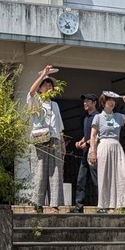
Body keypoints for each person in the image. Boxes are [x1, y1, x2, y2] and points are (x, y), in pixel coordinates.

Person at [88, 90, 125, 212]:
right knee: (105, 176)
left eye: (113, 100)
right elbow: (93, 135)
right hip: (103, 145)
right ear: (103, 102)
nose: (112, 102)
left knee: (122, 174)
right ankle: (106, 205)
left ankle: (122, 204)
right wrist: (93, 151)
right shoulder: (98, 117)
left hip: (116, 146)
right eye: (109, 100)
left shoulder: (118, 116)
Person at [26, 63, 65, 212]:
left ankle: (54, 205)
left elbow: (59, 126)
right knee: (39, 171)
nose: (48, 87)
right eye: (45, 85)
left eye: (50, 85)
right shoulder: (36, 101)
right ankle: (38, 205)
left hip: (54, 139)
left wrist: (62, 143)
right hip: (40, 139)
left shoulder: (55, 105)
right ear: (40, 88)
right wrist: (43, 74)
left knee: (55, 172)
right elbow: (31, 92)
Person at [69, 92, 99, 213]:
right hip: (85, 153)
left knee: (97, 180)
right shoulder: (86, 118)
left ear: (94, 103)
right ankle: (78, 207)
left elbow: (97, 135)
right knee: (81, 179)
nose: (85, 103)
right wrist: (81, 141)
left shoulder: (98, 117)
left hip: (95, 152)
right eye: (84, 101)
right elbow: (87, 135)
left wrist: (86, 143)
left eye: (87, 101)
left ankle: (102, 206)